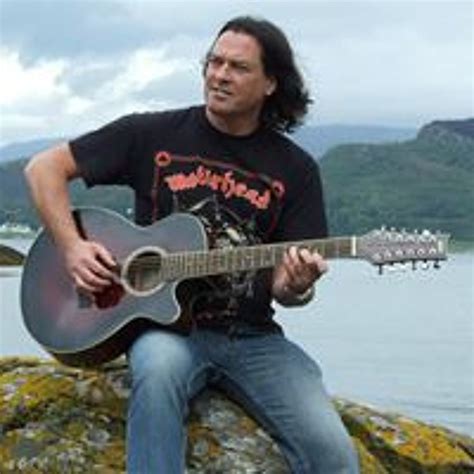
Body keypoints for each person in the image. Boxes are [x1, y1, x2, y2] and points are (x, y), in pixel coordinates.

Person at [25, 15, 359, 474]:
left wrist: (296, 285)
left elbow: (289, 290)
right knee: (158, 375)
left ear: (270, 84)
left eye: (238, 67)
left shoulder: (296, 170)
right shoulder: (150, 134)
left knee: (333, 453)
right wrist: (72, 247)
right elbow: (43, 169)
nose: (220, 75)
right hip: (167, 332)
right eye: (214, 62)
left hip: (253, 338)